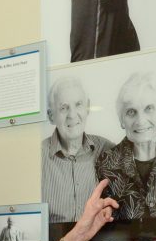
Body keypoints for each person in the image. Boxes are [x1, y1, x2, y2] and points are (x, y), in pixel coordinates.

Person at [95, 71, 156, 220]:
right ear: (121, 120)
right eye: (131, 112)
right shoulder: (105, 163)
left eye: (149, 108)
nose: (140, 120)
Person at [41, 76, 116, 223]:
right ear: (51, 116)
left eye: (78, 104)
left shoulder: (106, 149)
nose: (72, 115)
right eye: (63, 108)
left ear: (87, 107)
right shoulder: (37, 157)